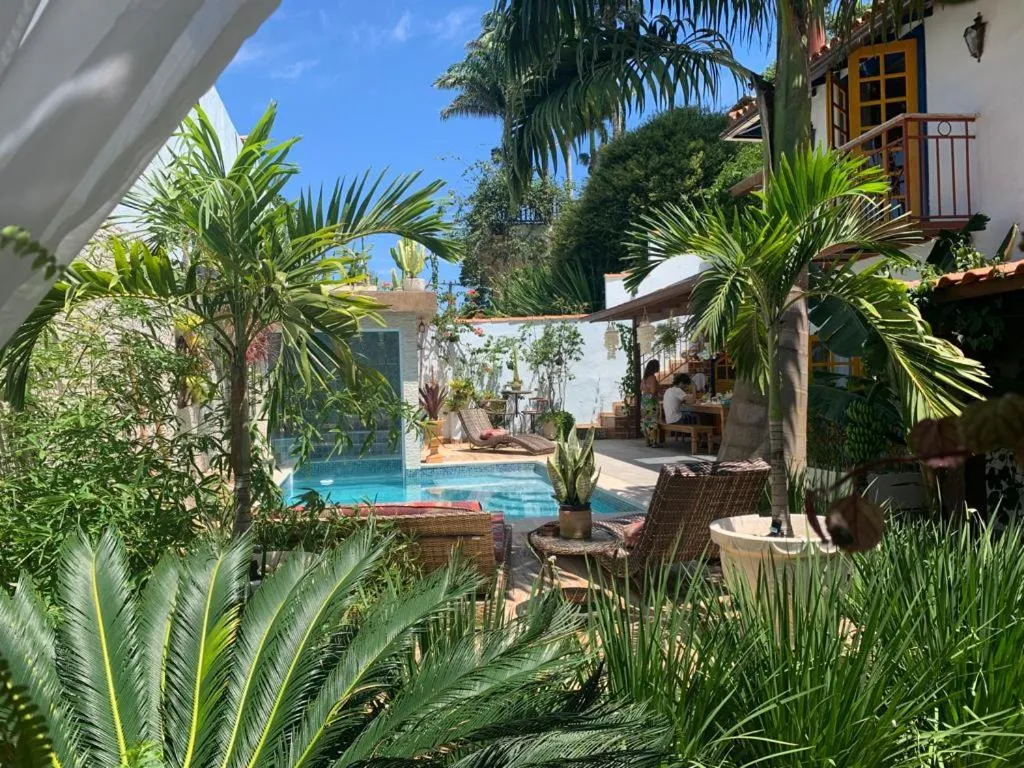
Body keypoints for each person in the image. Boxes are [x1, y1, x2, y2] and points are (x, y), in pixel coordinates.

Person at [640, 359, 661, 447]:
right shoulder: (652, 378)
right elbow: (652, 391)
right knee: (653, 421)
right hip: (651, 402)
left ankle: (647, 441)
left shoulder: (644, 378)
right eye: (658, 366)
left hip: (644, 401)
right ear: (654, 367)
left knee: (645, 421)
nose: (659, 367)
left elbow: (641, 388)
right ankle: (654, 442)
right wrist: (658, 390)